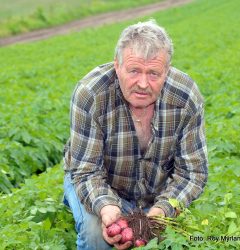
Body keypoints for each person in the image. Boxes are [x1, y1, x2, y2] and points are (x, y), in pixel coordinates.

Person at [63, 19, 208, 250]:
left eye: (153, 73)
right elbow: (86, 171)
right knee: (96, 236)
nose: (143, 83)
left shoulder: (185, 97)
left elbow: (193, 173)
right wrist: (107, 208)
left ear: (167, 72)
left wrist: (162, 211)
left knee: (170, 240)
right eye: (133, 71)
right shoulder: (91, 94)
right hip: (100, 183)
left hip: (156, 192)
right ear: (117, 66)